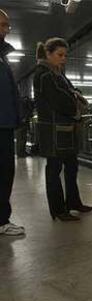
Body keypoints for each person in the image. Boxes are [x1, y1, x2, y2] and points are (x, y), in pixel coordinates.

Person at [33, 37, 92, 221]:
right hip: (54, 131)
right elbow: (61, 100)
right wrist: (75, 103)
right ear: (48, 54)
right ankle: (58, 210)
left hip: (64, 130)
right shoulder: (44, 74)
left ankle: (73, 202)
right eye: (60, 55)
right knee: (54, 169)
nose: (63, 58)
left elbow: (72, 92)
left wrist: (74, 95)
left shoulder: (57, 73)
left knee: (71, 166)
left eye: (65, 55)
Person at [0, 9, 25, 235]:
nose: (6, 30)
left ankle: (1, 219)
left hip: (5, 123)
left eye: (7, 25)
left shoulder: (2, 56)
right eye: (2, 25)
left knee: (6, 172)